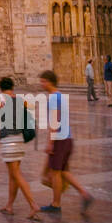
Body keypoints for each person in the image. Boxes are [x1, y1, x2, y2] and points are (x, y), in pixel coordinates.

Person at [38, 70, 93, 214]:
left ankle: (56, 204)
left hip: (59, 139)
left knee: (56, 172)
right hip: (68, 138)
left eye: (43, 81)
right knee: (64, 172)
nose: (41, 84)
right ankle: (85, 194)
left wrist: (50, 142)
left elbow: (54, 121)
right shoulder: (60, 96)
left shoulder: (53, 98)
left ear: (49, 82)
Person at [0, 77, 41, 220]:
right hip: (20, 139)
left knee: (16, 175)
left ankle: (33, 205)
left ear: (1, 87)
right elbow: (30, 109)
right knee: (13, 174)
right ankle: (9, 205)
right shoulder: (20, 100)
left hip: (9, 140)